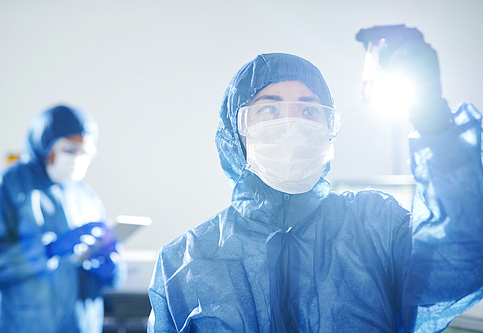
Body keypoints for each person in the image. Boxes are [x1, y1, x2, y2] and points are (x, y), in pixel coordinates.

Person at [147, 26, 483, 332]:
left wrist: (436, 125)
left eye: (309, 110)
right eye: (269, 109)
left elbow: (462, 256)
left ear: (329, 129)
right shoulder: (183, 262)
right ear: (236, 134)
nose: (292, 125)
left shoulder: (376, 227)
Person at [0, 105, 127, 333]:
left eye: (85, 152)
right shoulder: (3, 189)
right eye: (70, 150)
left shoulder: (86, 196)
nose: (77, 158)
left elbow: (94, 280)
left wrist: (110, 271)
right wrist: (48, 250)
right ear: (44, 145)